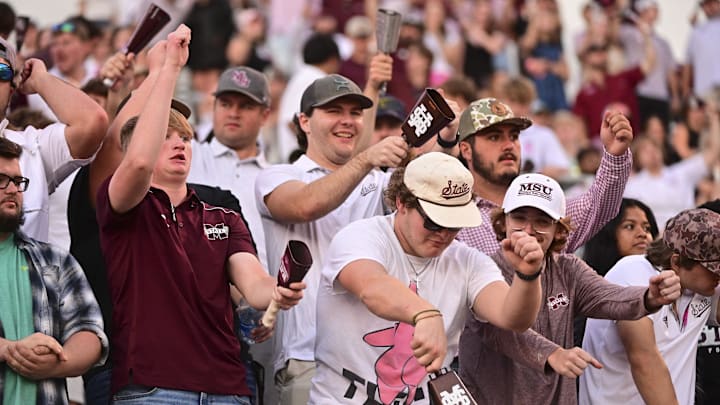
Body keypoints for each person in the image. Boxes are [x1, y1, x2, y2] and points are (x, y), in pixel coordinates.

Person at [95, 25, 305, 403]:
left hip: (228, 388)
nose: (179, 143)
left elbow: (253, 285)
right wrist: (170, 69)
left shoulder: (223, 215)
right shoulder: (123, 207)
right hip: (153, 388)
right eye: (165, 137)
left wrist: (277, 291)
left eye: (186, 138)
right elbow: (140, 162)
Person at [255, 73, 459, 405]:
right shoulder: (278, 175)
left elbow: (436, 201)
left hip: (374, 367)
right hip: (305, 359)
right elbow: (305, 205)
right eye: (334, 111)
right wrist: (365, 159)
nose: (348, 121)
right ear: (304, 121)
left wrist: (447, 140)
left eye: (355, 113)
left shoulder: (377, 182)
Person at [309, 152, 546, 404]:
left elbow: (513, 317)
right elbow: (371, 286)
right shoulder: (361, 236)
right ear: (401, 202)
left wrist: (528, 276)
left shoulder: (467, 260)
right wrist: (425, 313)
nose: (443, 234)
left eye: (454, 224)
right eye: (434, 221)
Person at [457, 173, 680, 405]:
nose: (529, 230)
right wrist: (552, 353)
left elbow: (610, 297)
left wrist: (649, 296)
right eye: (519, 218)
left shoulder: (567, 269)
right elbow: (502, 331)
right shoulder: (483, 270)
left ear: (560, 230)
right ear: (503, 223)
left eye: (542, 221)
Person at [0, 136, 108, 404]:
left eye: (17, 181)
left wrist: (58, 362)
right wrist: (9, 350)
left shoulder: (55, 259)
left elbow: (90, 333)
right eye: (1, 179)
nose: (13, 189)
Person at [456, 97, 633, 255]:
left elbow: (599, 206)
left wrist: (615, 155)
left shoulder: (546, 202)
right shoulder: (453, 218)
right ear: (466, 150)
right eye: (494, 137)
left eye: (514, 136)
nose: (509, 145)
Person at [579, 207, 720, 405]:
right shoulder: (632, 272)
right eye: (713, 268)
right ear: (677, 262)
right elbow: (644, 360)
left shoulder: (703, 286)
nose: (718, 275)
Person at [0, 37, 108, 242]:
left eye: (1, 71)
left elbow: (92, 122)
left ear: (11, 90)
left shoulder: (32, 149)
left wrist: (40, 79)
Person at [188, 66, 271, 269]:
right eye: (225, 104)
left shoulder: (276, 177)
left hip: (260, 294)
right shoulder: (188, 154)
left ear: (265, 116)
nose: (234, 113)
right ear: (214, 107)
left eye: (246, 106)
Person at [683, 0, 720, 101]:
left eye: (714, 3)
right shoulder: (696, 32)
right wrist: (685, 91)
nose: (711, 7)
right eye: (706, 4)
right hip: (704, 93)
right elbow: (688, 63)